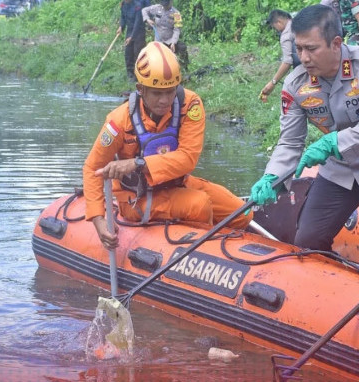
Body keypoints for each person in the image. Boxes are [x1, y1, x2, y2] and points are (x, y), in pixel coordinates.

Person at [249, 5, 359, 272]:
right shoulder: (295, 85)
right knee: (308, 240)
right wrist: (272, 176)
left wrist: (333, 142)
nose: (303, 57)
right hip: (341, 167)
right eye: (299, 49)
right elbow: (290, 142)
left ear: (336, 43)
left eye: (311, 49)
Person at [83, 42, 252, 250]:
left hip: (177, 183)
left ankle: (223, 249)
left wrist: (137, 163)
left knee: (243, 213)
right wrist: (98, 219)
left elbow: (188, 158)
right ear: (141, 89)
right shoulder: (119, 121)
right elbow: (92, 168)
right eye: (156, 93)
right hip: (138, 196)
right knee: (198, 205)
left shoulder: (190, 105)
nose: (165, 100)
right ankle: (202, 251)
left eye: (170, 91)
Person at [259, 9, 300, 103]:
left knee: (291, 88)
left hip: (305, 67)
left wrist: (273, 82)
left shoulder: (286, 36)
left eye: (274, 27)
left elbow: (287, 62)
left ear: (279, 22)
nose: (276, 30)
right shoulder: (299, 19)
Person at [142, 0, 189, 72]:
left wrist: (173, 42)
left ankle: (184, 68)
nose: (165, 6)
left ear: (171, 2)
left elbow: (177, 30)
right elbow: (144, 10)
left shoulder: (177, 14)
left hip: (170, 41)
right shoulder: (157, 8)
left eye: (167, 5)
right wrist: (147, 19)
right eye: (164, 5)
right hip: (159, 41)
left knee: (182, 47)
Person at [118, 0, 150, 83]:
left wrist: (132, 37)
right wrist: (121, 26)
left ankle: (139, 75)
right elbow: (123, 17)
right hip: (129, 31)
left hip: (139, 32)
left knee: (138, 54)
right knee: (128, 53)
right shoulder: (123, 4)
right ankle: (130, 75)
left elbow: (138, 22)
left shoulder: (137, 6)